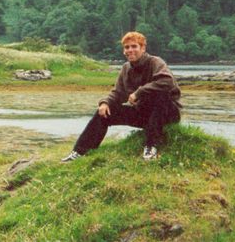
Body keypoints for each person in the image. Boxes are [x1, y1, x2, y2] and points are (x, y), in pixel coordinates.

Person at [62, 31, 182, 162]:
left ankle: (151, 147)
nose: (130, 50)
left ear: (143, 48)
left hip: (167, 113)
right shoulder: (125, 68)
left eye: (134, 46)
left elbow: (167, 82)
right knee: (103, 112)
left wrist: (139, 92)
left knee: (160, 97)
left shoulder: (155, 62)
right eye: (127, 47)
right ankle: (80, 152)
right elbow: (118, 93)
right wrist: (105, 103)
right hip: (143, 114)